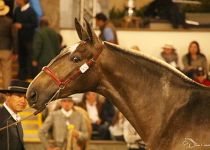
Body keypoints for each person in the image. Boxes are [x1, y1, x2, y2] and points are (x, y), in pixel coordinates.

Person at [0, 79, 30, 150]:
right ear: (8, 96)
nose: (23, 101)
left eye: (25, 97)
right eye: (19, 96)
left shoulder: (16, 118)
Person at [13, 0, 38, 80]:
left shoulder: (31, 11)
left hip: (29, 39)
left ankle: (29, 77)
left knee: (29, 58)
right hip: (19, 39)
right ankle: (22, 77)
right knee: (21, 59)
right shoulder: (17, 10)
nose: (16, 1)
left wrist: (22, 26)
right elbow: (14, 21)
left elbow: (35, 24)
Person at [0, 0, 16, 89]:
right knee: (7, 73)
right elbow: (14, 37)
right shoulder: (9, 22)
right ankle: (6, 93)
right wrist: (15, 52)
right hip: (6, 50)